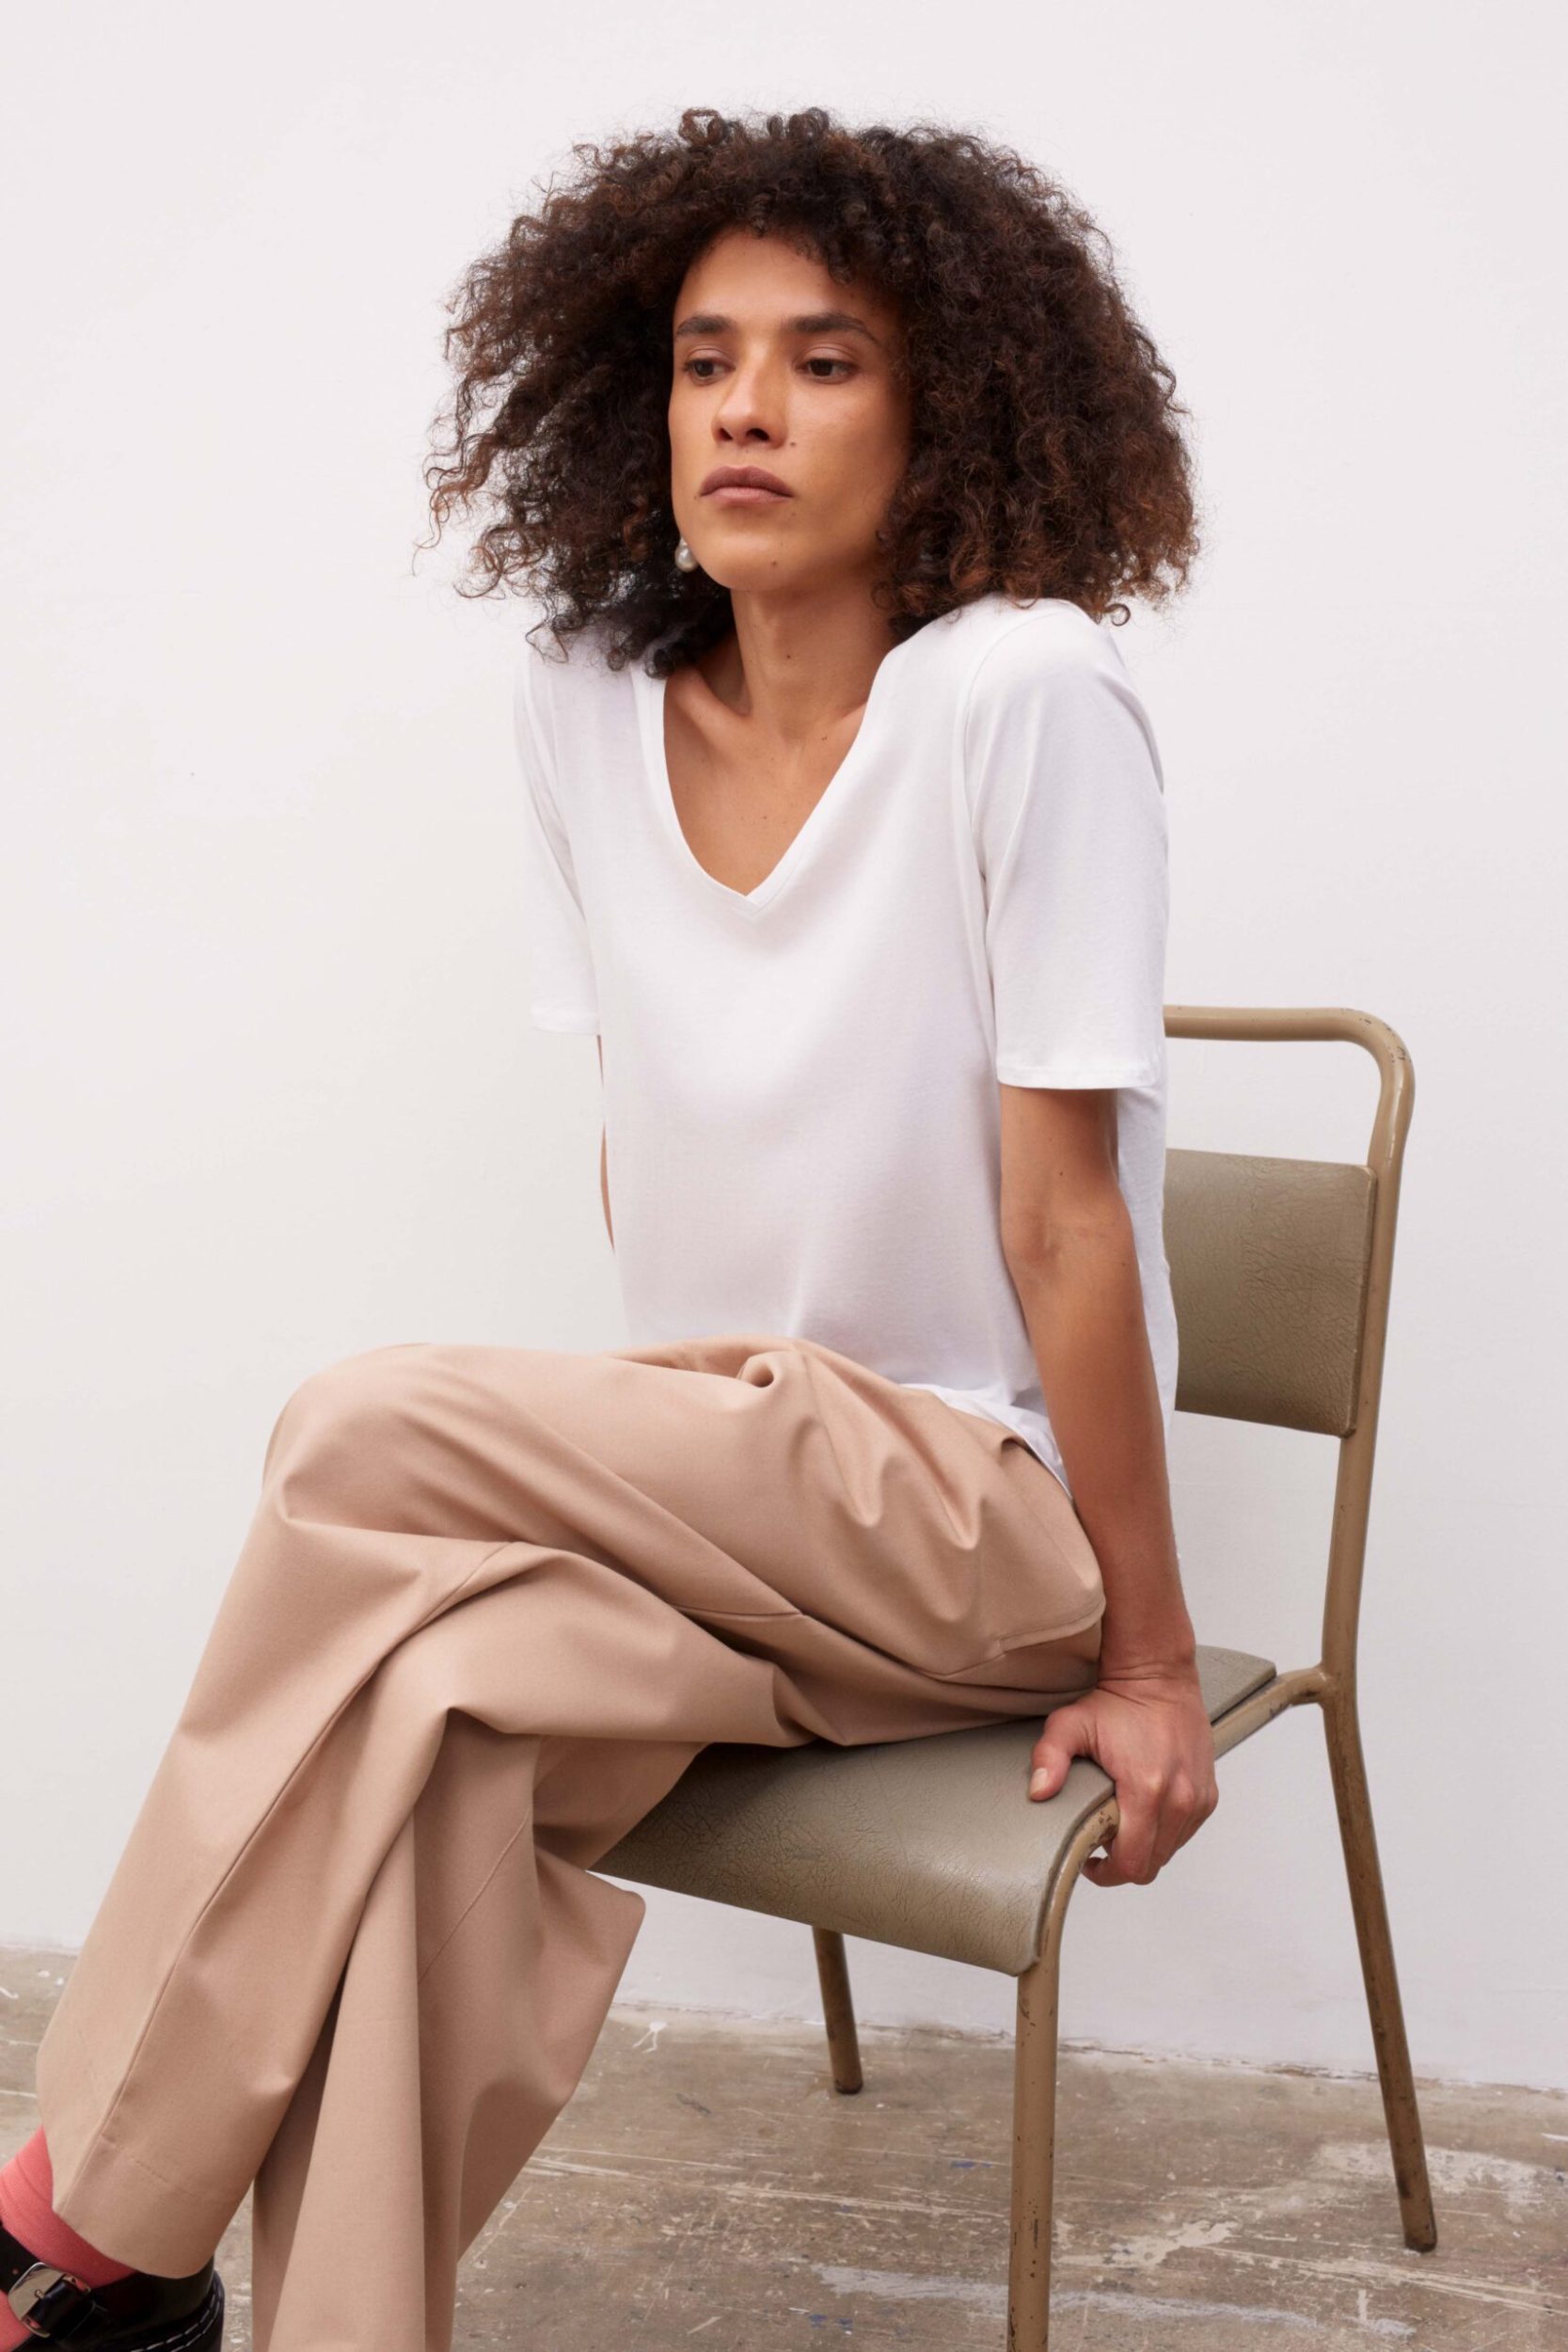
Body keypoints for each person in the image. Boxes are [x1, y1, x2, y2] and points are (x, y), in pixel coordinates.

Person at [4, 103, 1216, 2352]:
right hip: (720, 1486)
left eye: (827, 358)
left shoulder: (1021, 694)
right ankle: (260, 2324)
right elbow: (637, 1143)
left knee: (354, 1427)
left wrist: (1146, 1657)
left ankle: (89, 2202)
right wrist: (623, 1504)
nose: (744, 405)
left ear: (951, 405)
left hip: (970, 1510)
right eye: (700, 355)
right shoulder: (581, 699)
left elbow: (1068, 1230)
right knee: (443, 1706)